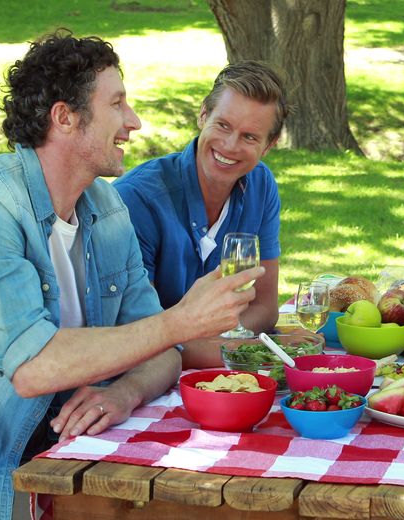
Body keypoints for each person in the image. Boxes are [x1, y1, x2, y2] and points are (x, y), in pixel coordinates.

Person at [0, 30, 264, 520]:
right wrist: (181, 320)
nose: (134, 122)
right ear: (64, 117)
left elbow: (163, 353)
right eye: (117, 103)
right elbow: (33, 367)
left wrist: (125, 391)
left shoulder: (105, 207)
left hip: (61, 448)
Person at [114, 61, 288, 368]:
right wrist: (254, 352)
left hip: (205, 370)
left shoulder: (262, 186)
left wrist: (223, 344)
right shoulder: (137, 198)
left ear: (269, 145)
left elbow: (264, 307)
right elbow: (137, 337)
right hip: (144, 376)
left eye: (249, 137)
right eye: (222, 125)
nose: (230, 146)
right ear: (203, 115)